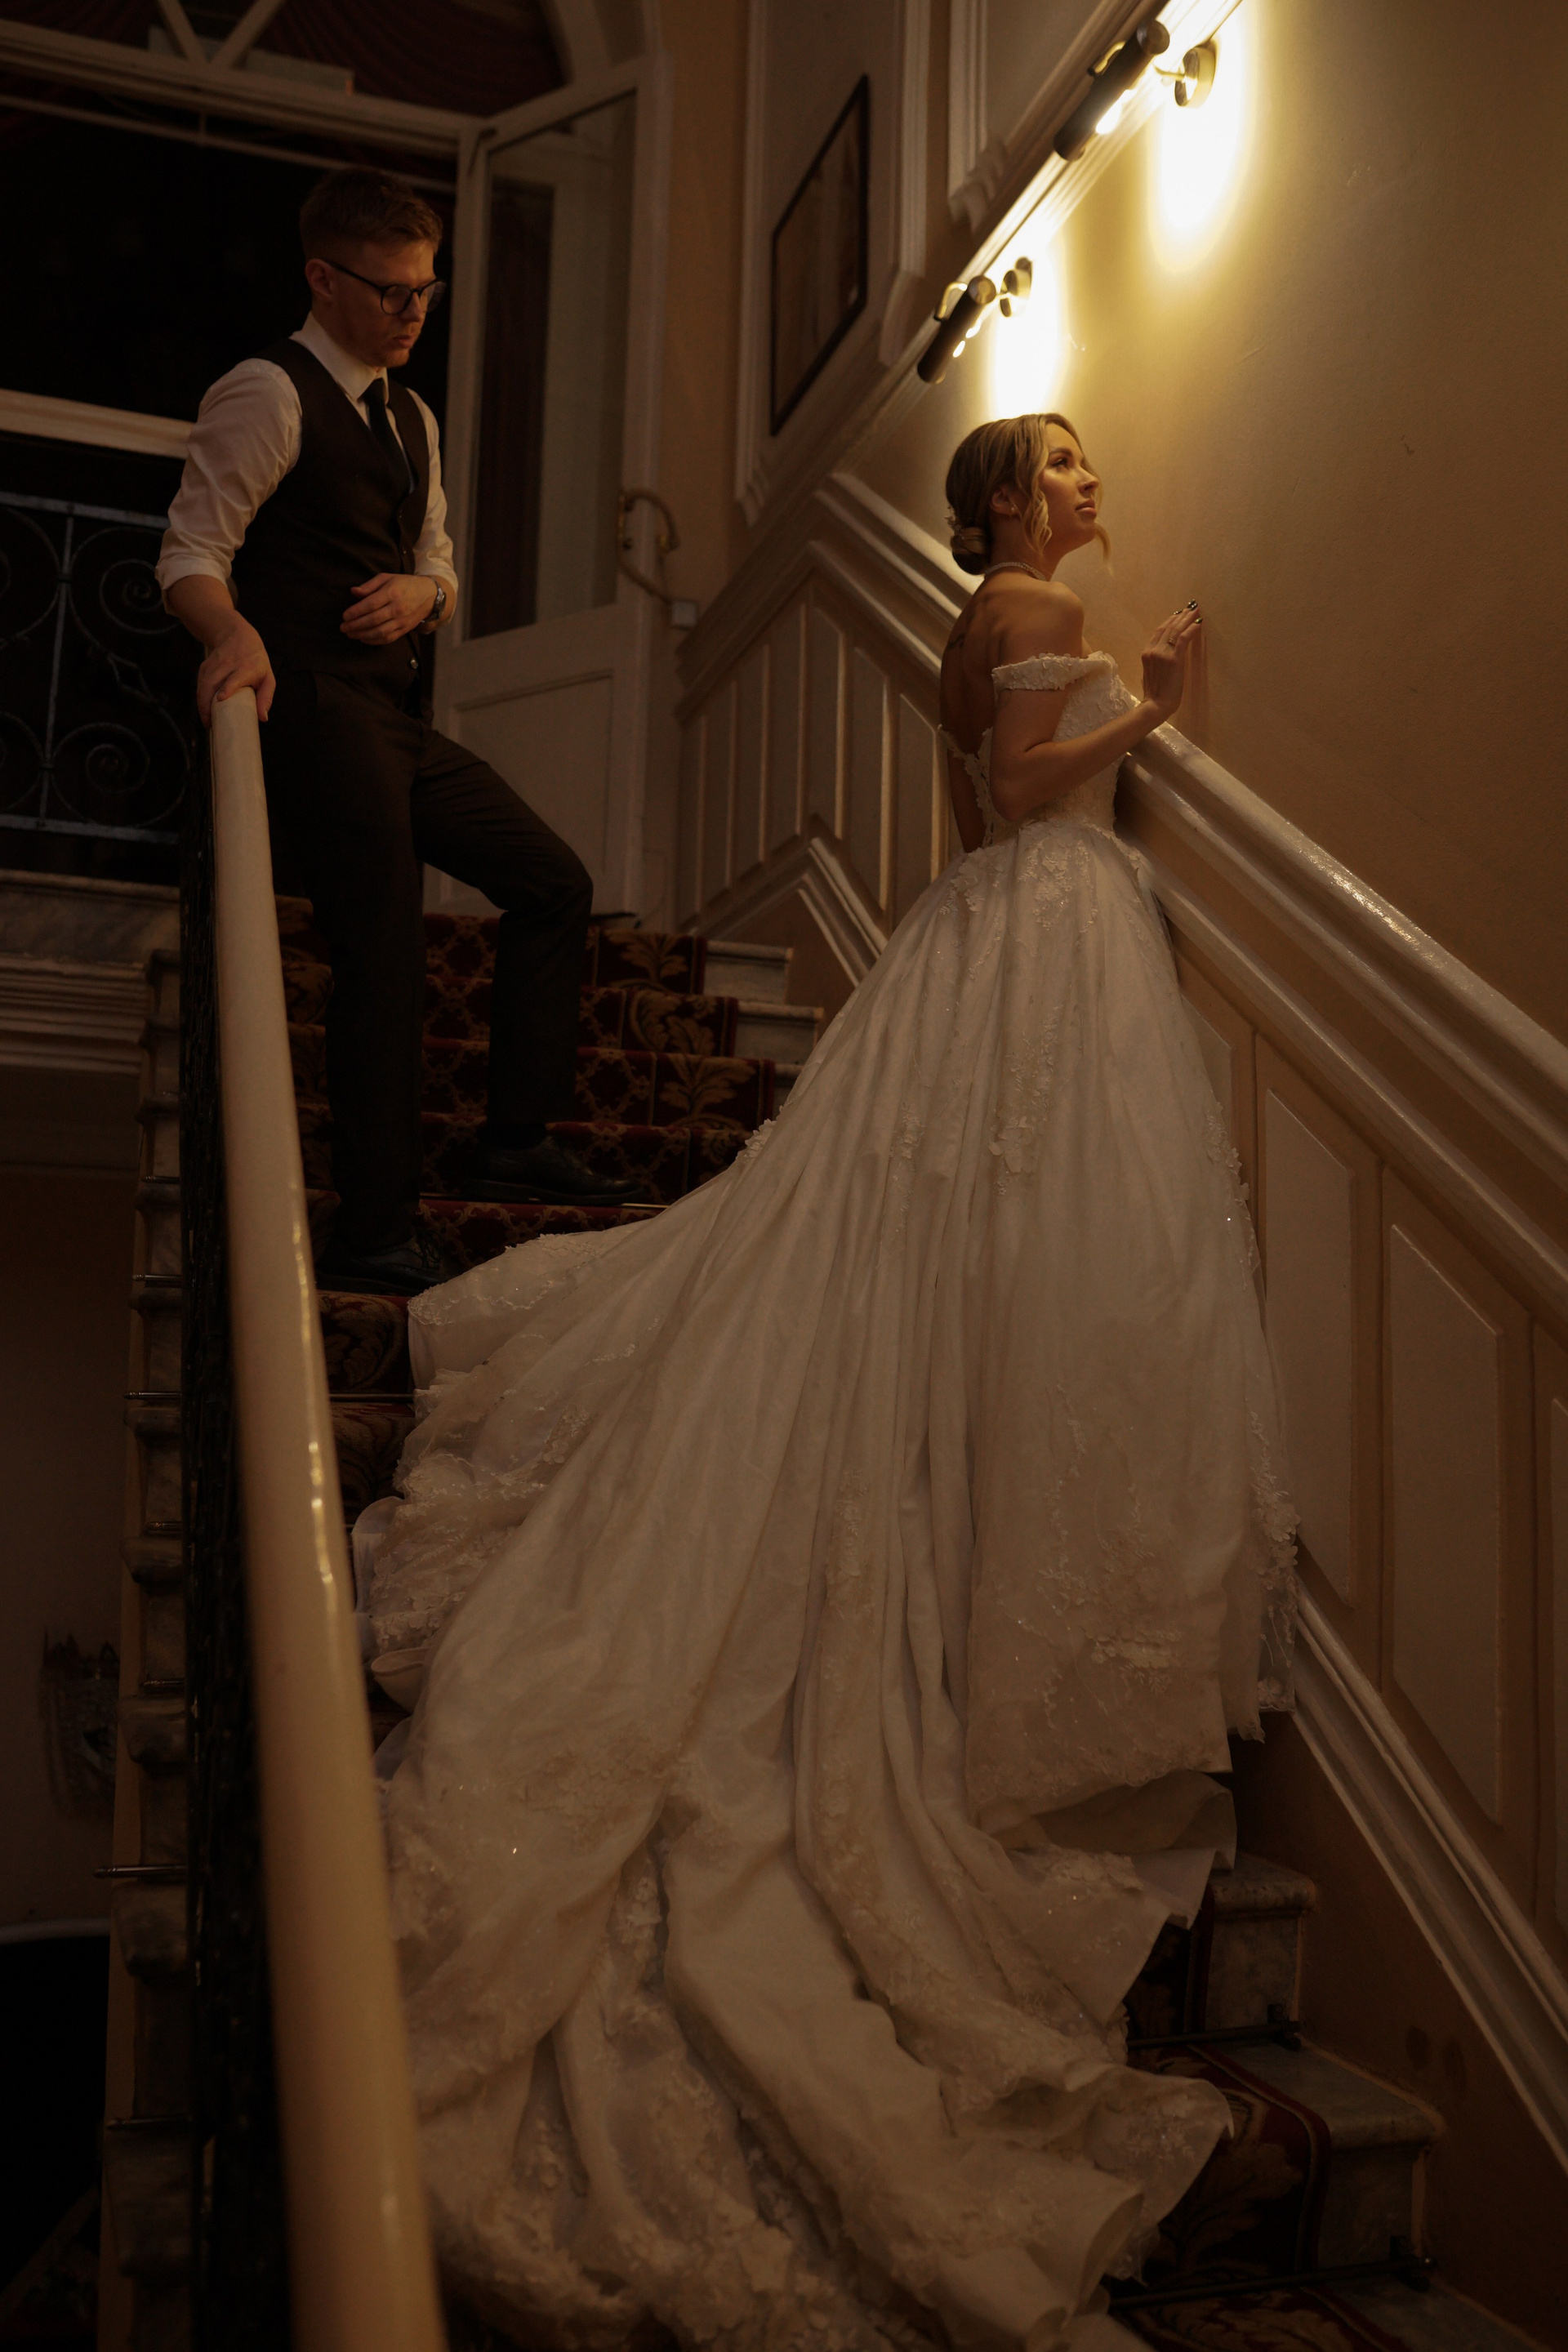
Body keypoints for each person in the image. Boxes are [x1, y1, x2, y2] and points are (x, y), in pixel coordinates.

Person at [358, 412, 1297, 2348]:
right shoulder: (1042, 612)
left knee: (955, 1262)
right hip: (1047, 927)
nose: (1091, 478)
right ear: (1013, 501)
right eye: (1064, 460)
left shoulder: (979, 617)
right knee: (1034, 1259)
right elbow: (1026, 787)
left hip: (991, 936)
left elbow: (977, 802)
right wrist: (1154, 703)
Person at [158, 165, 639, 1298]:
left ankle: (513, 1138)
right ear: (323, 280)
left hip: (389, 714)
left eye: (427, 289)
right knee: (382, 946)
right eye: (392, 291)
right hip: (311, 708)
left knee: (553, 882)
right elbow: (189, 554)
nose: (415, 311)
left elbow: (438, 565)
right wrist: (234, 631)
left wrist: (430, 595)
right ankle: (373, 1228)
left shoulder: (411, 415)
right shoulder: (267, 392)